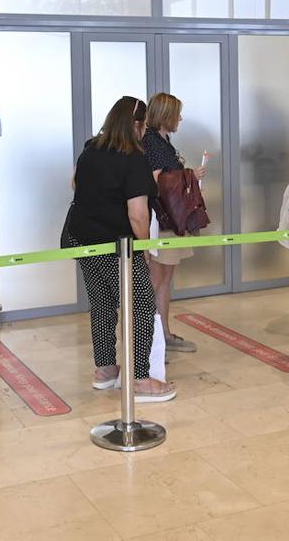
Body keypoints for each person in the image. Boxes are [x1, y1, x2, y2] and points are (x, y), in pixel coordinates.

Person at [61, 96, 175, 403]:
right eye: (144, 125)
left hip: (82, 238)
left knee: (101, 303)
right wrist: (144, 247)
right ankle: (138, 378)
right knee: (140, 303)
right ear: (136, 125)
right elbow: (138, 214)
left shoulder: (90, 147)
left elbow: (75, 183)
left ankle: (105, 370)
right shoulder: (133, 159)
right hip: (117, 245)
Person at [142, 92, 207, 354]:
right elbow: (155, 181)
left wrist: (188, 175)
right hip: (162, 220)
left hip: (173, 220)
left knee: (166, 278)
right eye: (176, 113)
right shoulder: (152, 143)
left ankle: (163, 334)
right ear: (165, 115)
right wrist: (187, 176)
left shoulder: (163, 142)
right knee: (156, 279)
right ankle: (149, 341)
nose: (180, 118)